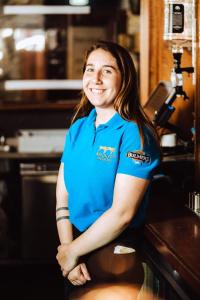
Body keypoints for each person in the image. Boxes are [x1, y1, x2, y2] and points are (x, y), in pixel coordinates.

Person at [56, 40, 161, 299]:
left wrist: (70, 253)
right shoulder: (78, 128)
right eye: (90, 69)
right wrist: (69, 249)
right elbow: (62, 198)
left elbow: (122, 213)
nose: (96, 78)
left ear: (125, 79)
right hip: (76, 247)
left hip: (115, 249)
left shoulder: (135, 134)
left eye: (107, 70)